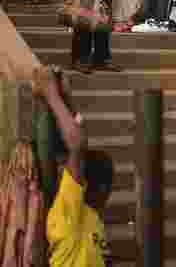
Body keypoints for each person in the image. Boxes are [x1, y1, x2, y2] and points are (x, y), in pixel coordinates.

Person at [34, 66, 114, 267]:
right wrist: (51, 93)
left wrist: (67, 98)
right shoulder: (69, 213)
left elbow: (80, 144)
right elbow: (77, 146)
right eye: (107, 186)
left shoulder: (91, 218)